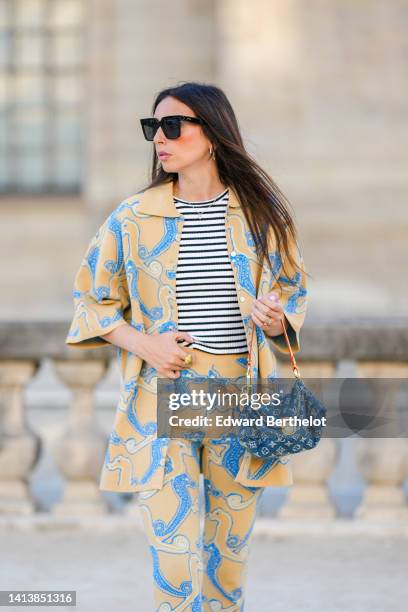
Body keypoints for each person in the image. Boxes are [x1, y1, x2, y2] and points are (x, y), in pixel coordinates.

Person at [66, 81, 308, 611]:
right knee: (175, 559)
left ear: (213, 134)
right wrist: (145, 344)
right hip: (163, 395)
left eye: (173, 126)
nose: (160, 139)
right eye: (152, 128)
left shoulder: (264, 217)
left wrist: (274, 320)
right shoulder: (132, 218)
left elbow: (293, 297)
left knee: (227, 561)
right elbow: (92, 300)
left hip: (239, 397)